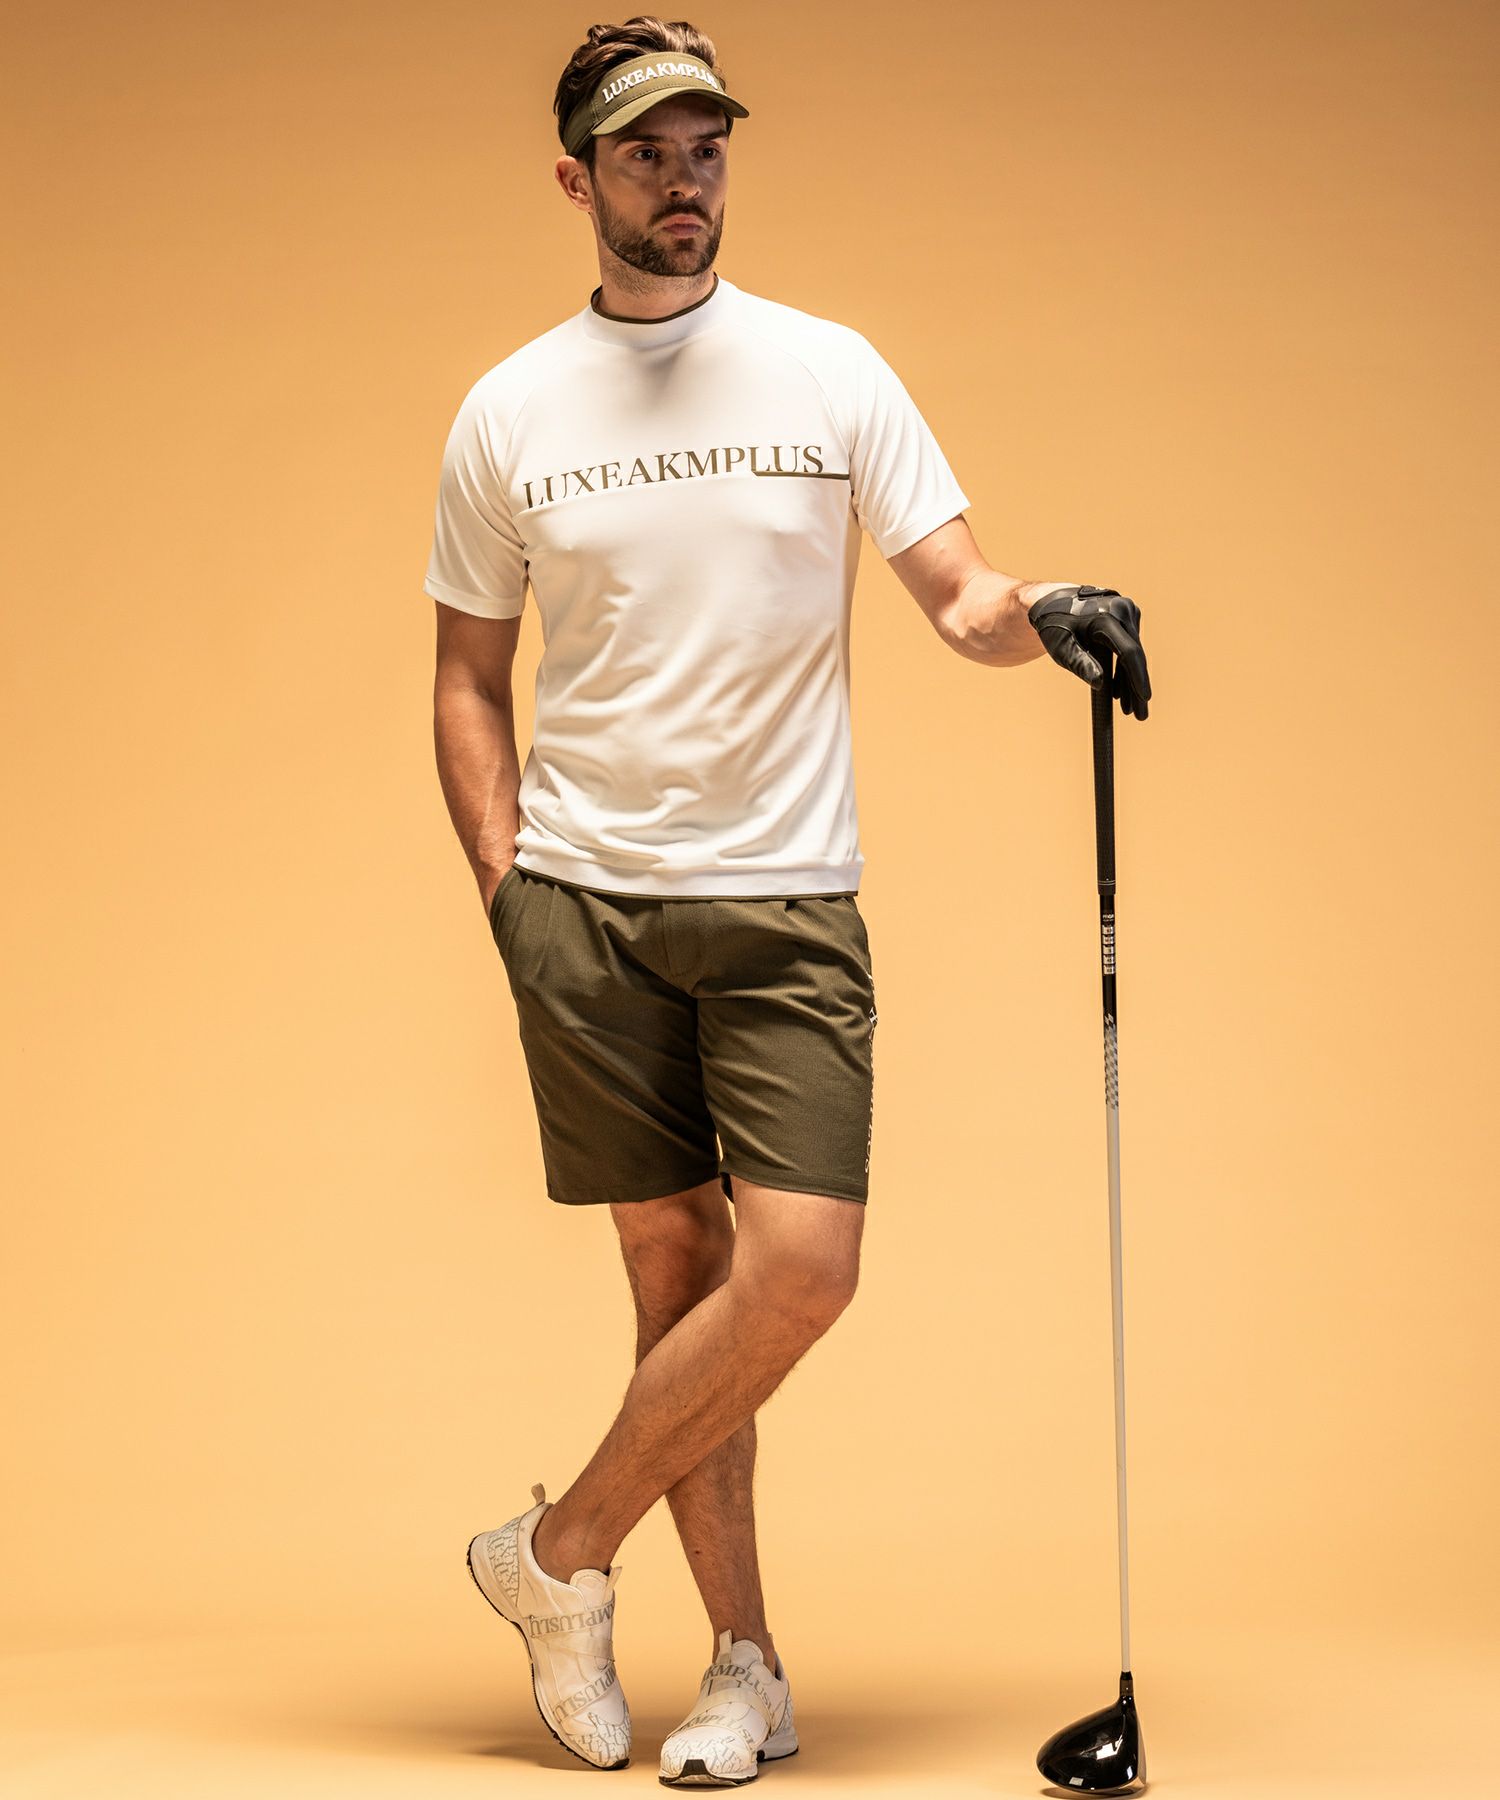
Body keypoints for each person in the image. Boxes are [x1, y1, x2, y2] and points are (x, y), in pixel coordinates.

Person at [423, 15, 1152, 1787]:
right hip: (586, 911)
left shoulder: (830, 371)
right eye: (647, 153)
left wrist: (1047, 611)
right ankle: (743, 1668)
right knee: (676, 1279)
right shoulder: (510, 409)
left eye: (707, 148)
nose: (685, 182)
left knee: (799, 1272)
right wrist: (511, 892)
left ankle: (555, 1556)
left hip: (784, 902)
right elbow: (465, 677)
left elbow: (959, 594)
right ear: (578, 178)